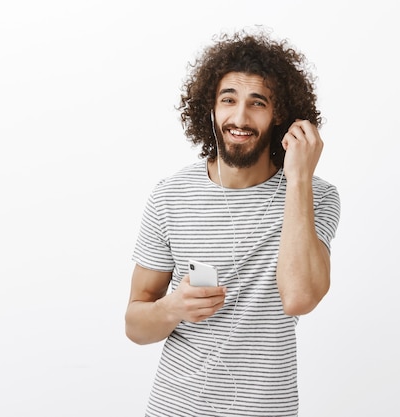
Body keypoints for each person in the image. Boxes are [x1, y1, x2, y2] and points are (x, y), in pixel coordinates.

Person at [125, 27, 341, 417]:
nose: (239, 117)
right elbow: (135, 325)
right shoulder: (170, 195)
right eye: (228, 100)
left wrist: (300, 179)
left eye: (257, 103)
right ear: (210, 108)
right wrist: (172, 308)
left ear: (281, 116)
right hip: (175, 408)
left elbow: (299, 297)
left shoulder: (315, 195)